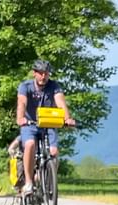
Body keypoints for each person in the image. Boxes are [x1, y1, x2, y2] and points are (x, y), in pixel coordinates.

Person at [16, 59, 75, 196]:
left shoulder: (54, 86)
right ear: (34, 73)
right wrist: (20, 118)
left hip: (49, 124)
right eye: (41, 73)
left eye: (46, 74)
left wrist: (67, 119)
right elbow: (22, 103)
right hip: (29, 124)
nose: (43, 77)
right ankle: (29, 182)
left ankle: (47, 180)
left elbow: (60, 102)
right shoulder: (25, 86)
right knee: (30, 144)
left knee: (54, 152)